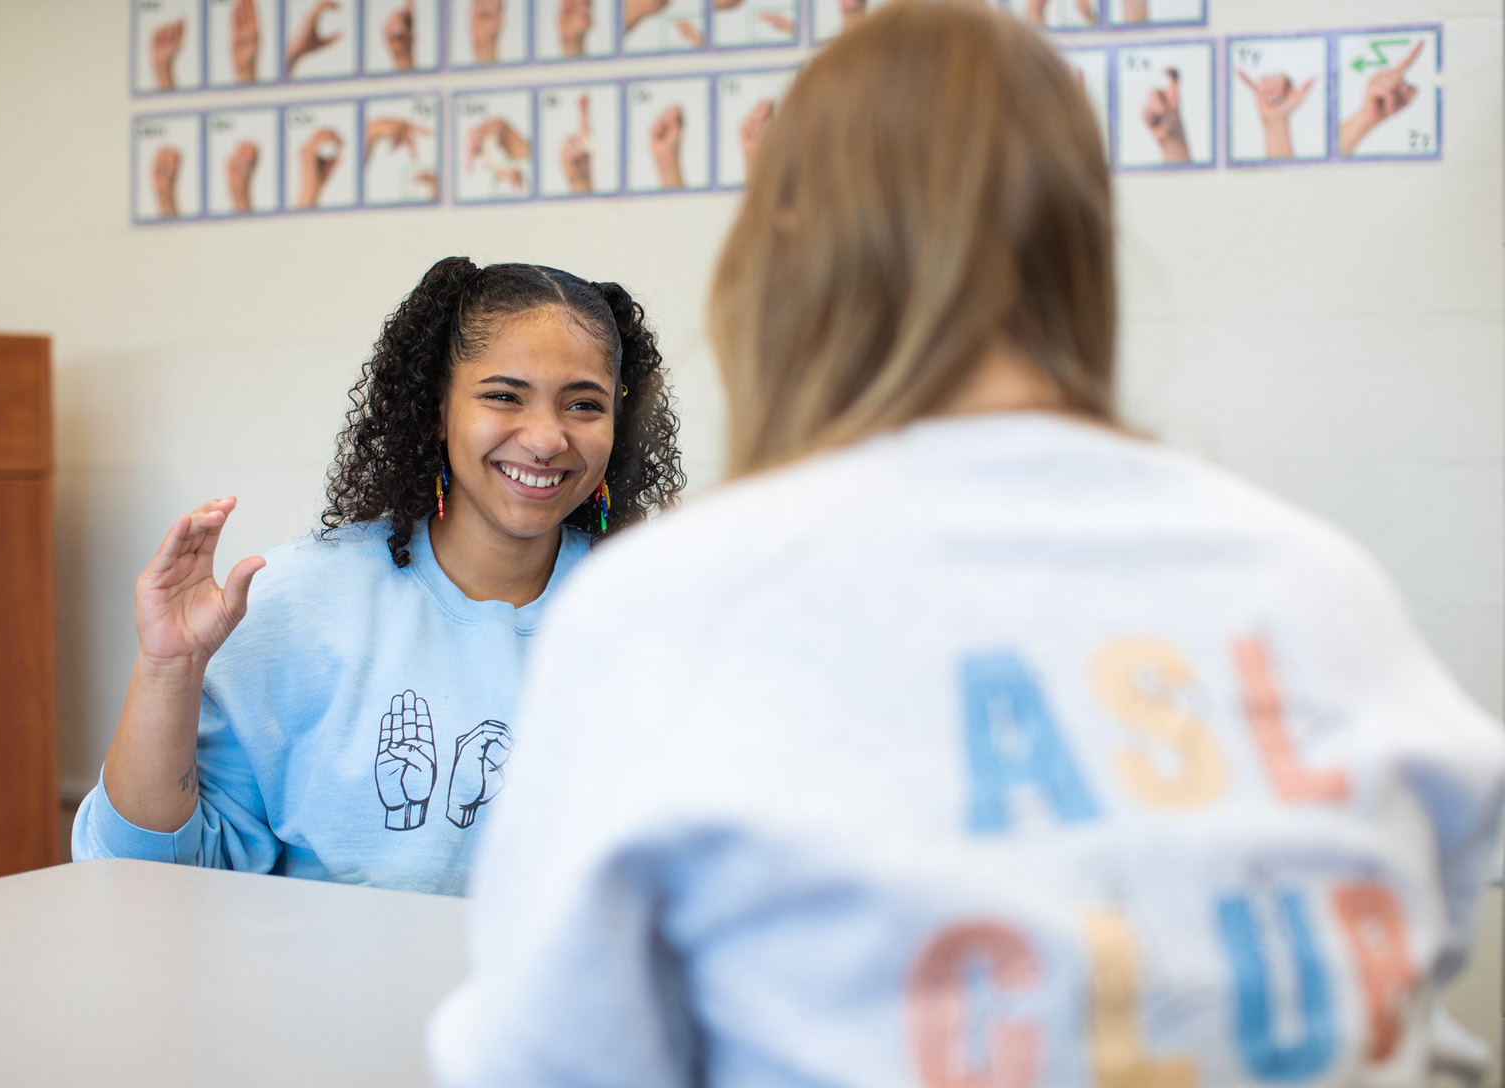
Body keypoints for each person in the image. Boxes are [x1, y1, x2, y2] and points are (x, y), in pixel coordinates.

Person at [428, 2, 1505, 1084]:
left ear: (788, 247)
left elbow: (543, 1060)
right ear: (1083, 249)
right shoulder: (1325, 587)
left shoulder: (667, 611)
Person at [71, 258, 685, 895]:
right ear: (437, 408)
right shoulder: (298, 602)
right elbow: (142, 875)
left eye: (584, 404)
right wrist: (167, 668)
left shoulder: (655, 608)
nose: (547, 438)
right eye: (504, 396)